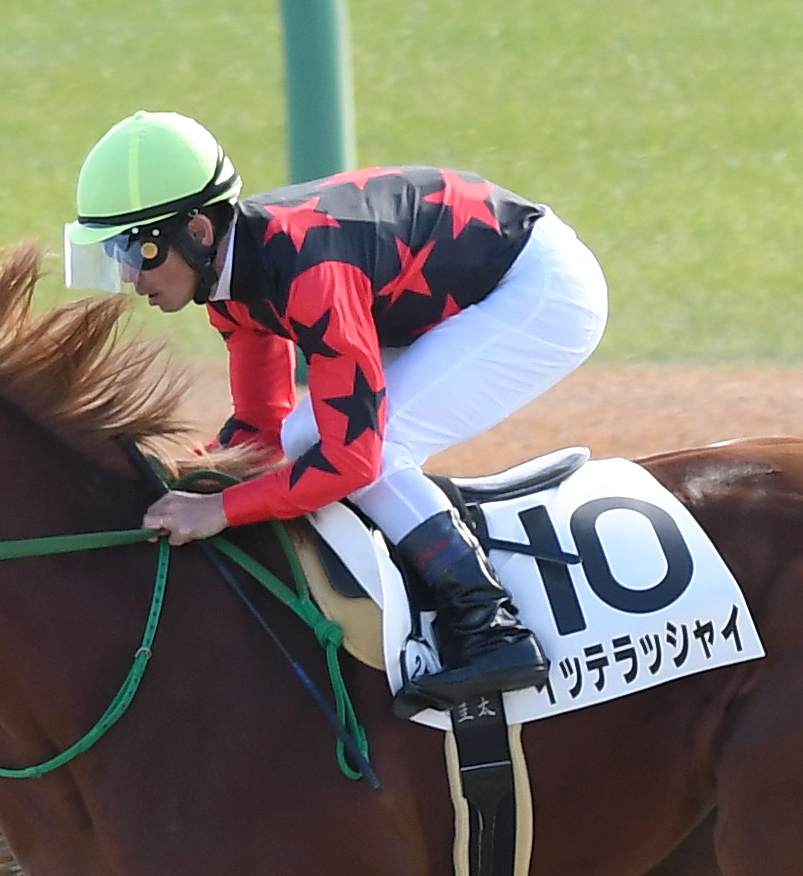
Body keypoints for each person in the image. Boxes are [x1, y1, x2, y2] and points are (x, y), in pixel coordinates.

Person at [62, 110, 608, 707]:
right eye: (113, 250)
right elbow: (260, 433)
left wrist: (218, 508)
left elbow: (351, 460)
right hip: (450, 287)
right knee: (303, 437)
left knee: (369, 449)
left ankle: (492, 628)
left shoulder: (310, 272)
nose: (128, 274)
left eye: (135, 248)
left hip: (539, 291)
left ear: (197, 231)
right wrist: (174, 483)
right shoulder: (227, 283)